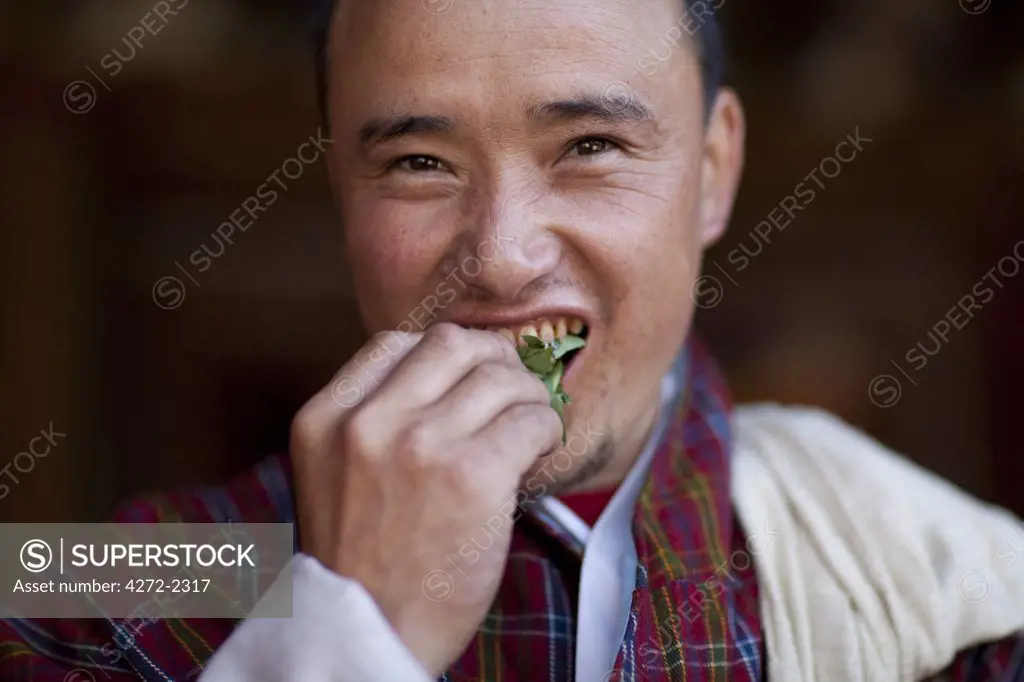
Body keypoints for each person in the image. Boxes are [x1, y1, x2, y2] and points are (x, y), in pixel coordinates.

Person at [3, 0, 1023, 680]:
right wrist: (350, 630)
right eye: (416, 161)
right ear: (338, 186)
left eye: (589, 147)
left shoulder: (957, 589)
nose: (498, 257)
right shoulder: (97, 582)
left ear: (713, 169)